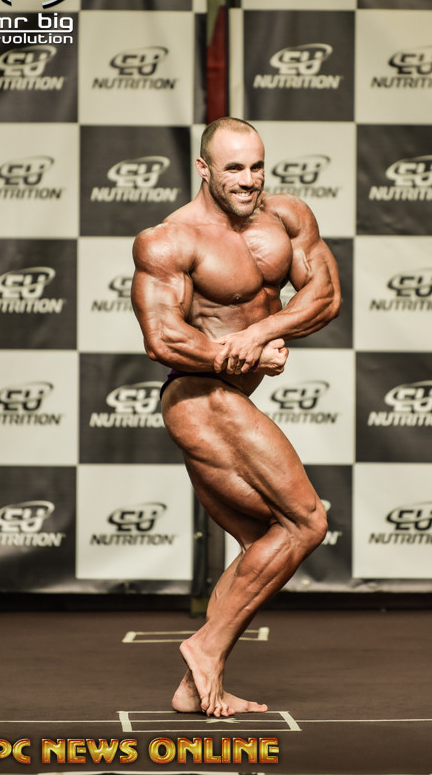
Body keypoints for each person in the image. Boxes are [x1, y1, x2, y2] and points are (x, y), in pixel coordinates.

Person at [131, 116, 341, 718]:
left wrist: (261, 333)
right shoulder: (169, 240)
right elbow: (163, 338)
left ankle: (195, 684)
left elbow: (324, 295)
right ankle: (205, 647)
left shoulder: (287, 217)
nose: (249, 180)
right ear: (204, 169)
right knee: (306, 523)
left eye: (256, 166)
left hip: (230, 396)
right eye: (234, 169)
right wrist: (240, 352)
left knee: (262, 542)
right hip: (198, 397)